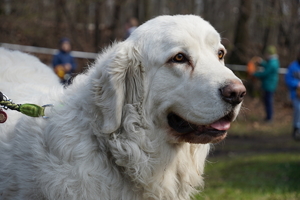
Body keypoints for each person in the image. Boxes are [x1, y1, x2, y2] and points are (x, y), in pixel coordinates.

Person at [252, 45, 280, 123]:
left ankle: (269, 118)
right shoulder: (273, 61)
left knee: (268, 102)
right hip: (269, 85)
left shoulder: (272, 63)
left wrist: (254, 74)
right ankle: (268, 117)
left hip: (269, 85)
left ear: (270, 54)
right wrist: (261, 62)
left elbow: (265, 73)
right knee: (267, 101)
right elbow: (267, 66)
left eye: (267, 54)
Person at [285, 50, 300, 140]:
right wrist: (296, 84)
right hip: (296, 94)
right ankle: (296, 129)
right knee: (298, 111)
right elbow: (288, 79)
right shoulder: (293, 66)